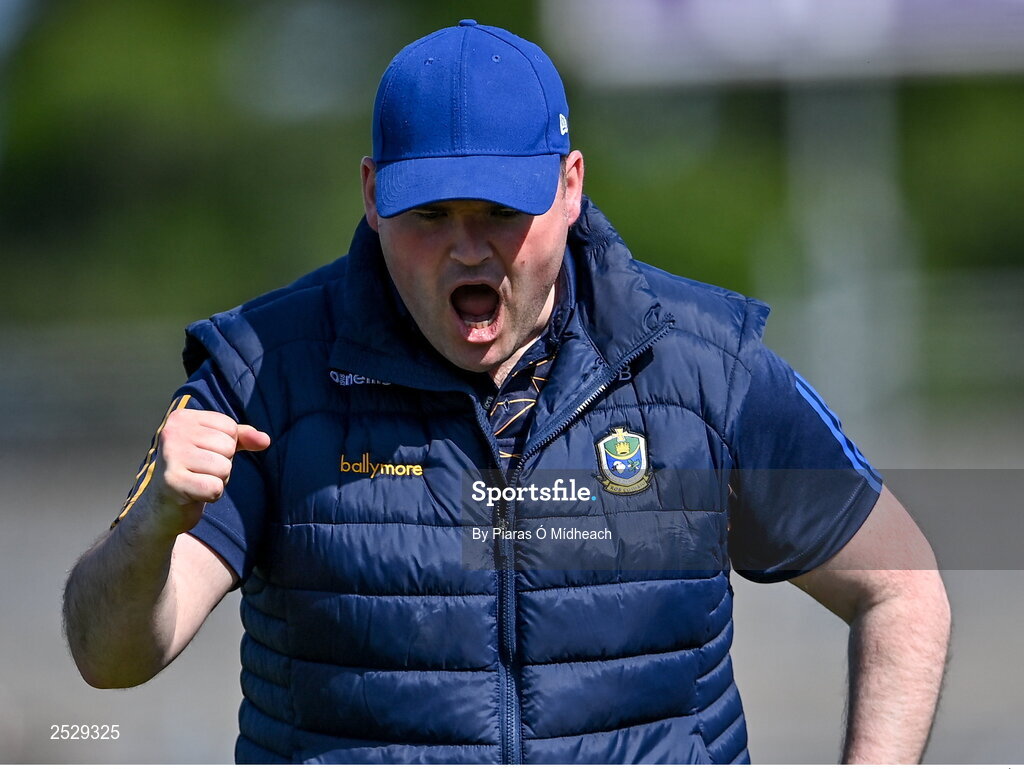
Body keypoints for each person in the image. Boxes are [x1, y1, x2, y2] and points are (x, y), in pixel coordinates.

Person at [63, 20, 950, 764]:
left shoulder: (703, 367)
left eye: (499, 212)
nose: (468, 249)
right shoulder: (263, 374)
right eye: (431, 216)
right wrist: (150, 530)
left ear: (570, 187)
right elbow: (107, 657)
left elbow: (903, 591)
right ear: (373, 197)